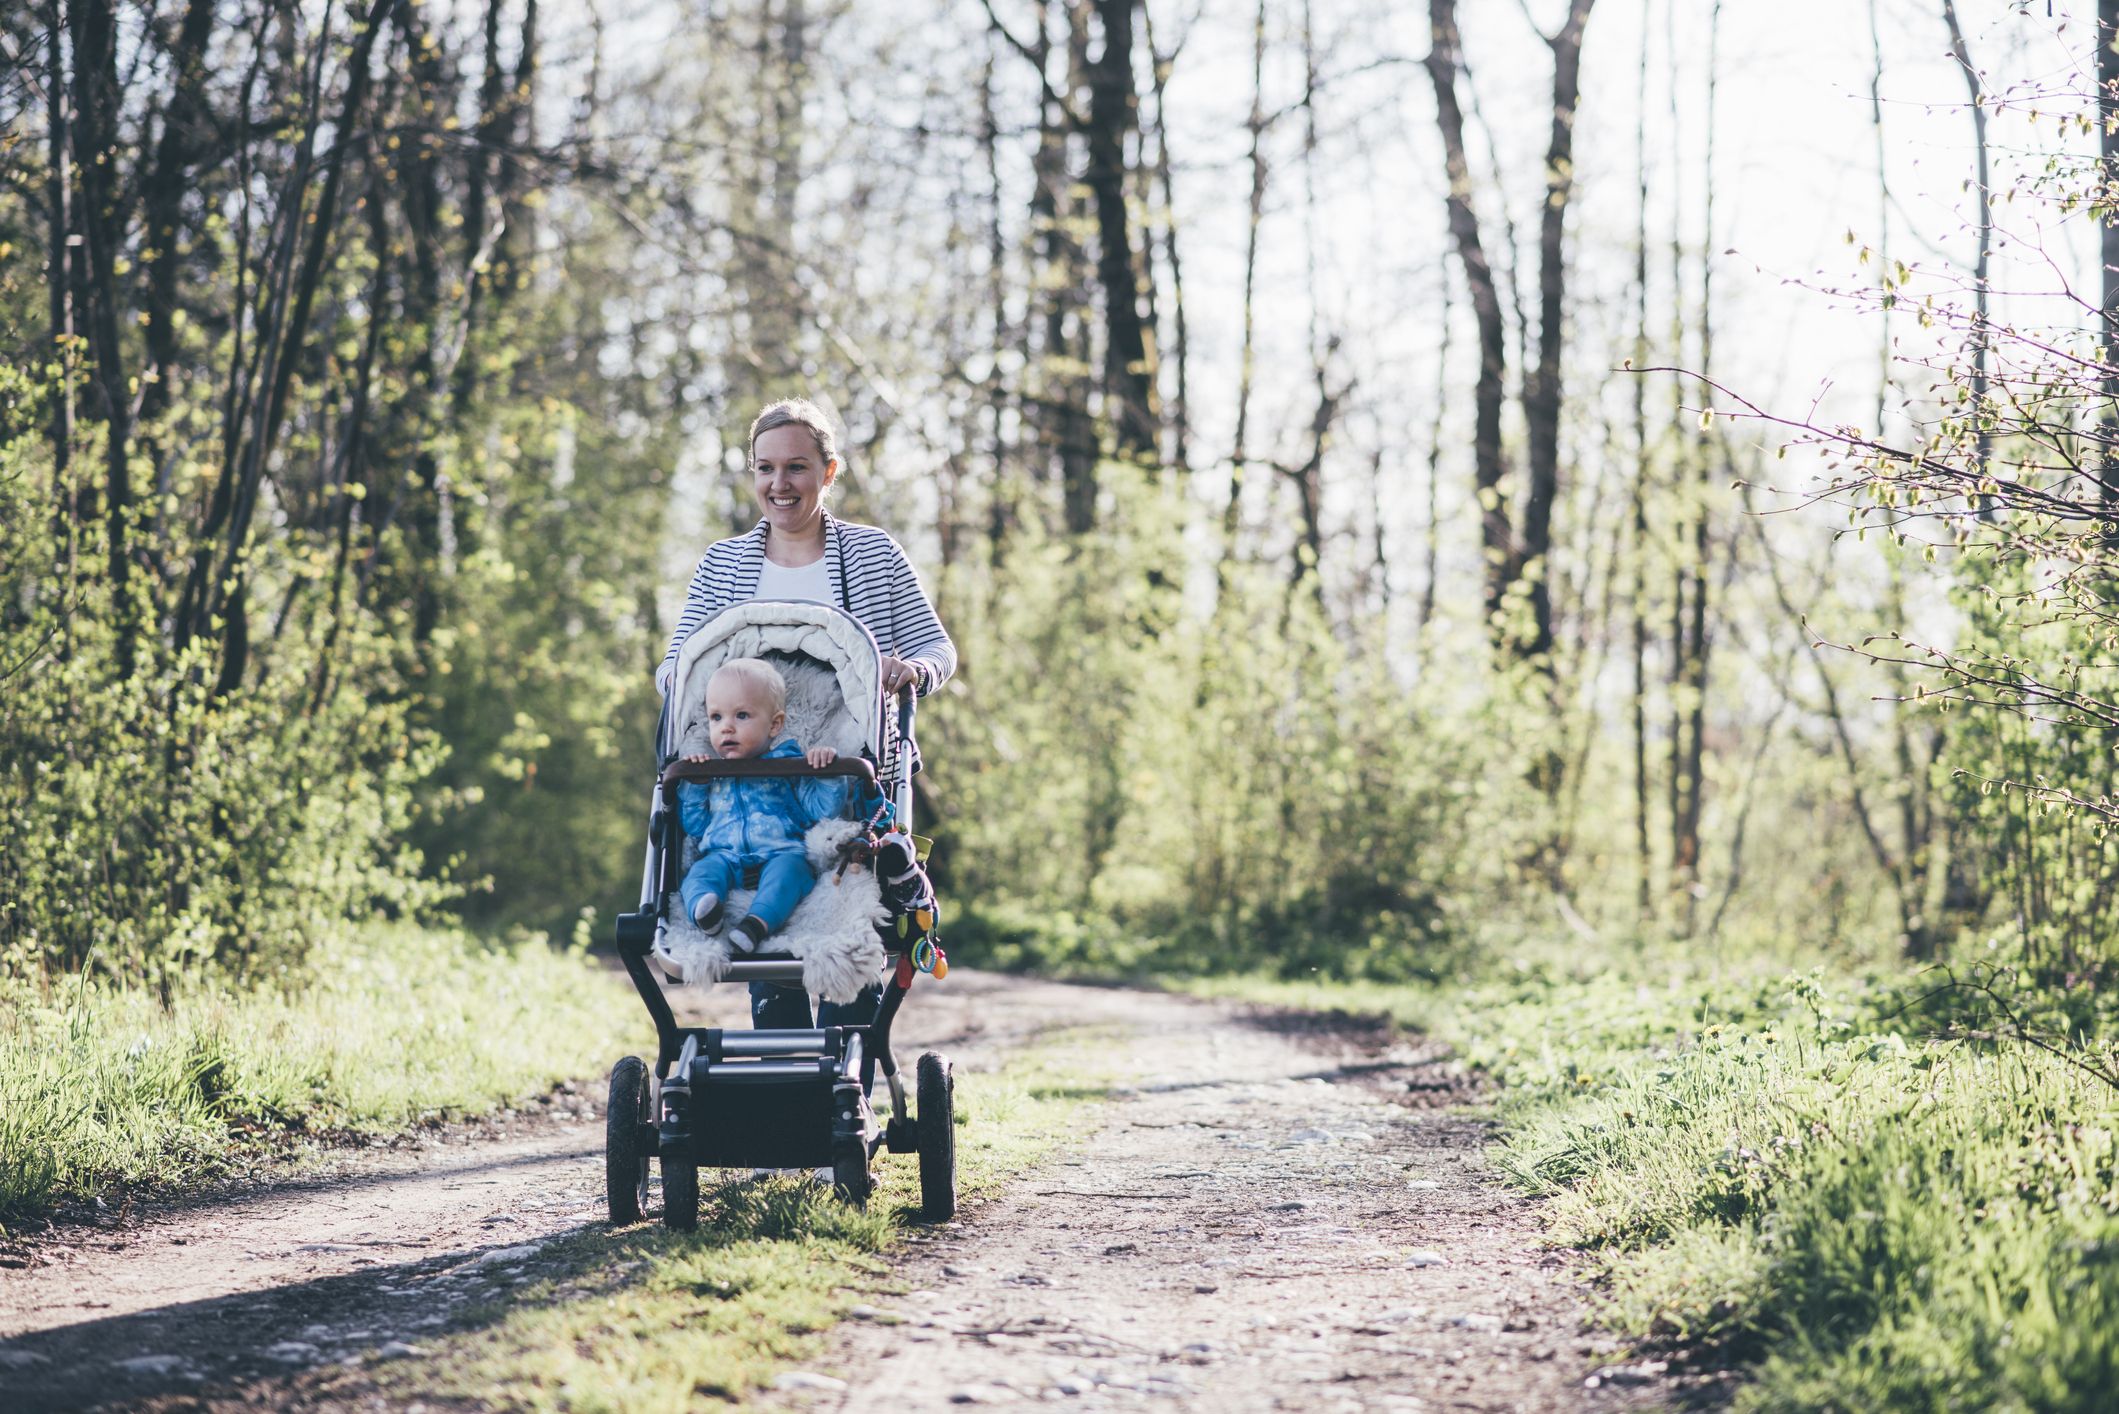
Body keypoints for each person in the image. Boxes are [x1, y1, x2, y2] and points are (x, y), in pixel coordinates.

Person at [659, 398, 956, 1031]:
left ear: (828, 471)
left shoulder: (875, 555)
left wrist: (911, 671)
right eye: (764, 468)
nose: (779, 484)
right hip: (744, 773)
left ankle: (848, 1064)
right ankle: (781, 1062)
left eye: (796, 468)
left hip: (847, 773)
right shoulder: (723, 564)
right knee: (770, 956)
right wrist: (697, 708)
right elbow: (678, 664)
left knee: (845, 933)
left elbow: (938, 648)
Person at [676, 658, 847, 947]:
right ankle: (704, 910)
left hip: (781, 852)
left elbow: (823, 810)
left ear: (774, 724)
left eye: (741, 715)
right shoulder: (714, 772)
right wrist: (695, 784)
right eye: (716, 718)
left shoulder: (789, 765)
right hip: (724, 856)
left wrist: (827, 772)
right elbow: (695, 826)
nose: (726, 728)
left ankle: (755, 925)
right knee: (700, 873)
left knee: (790, 874)